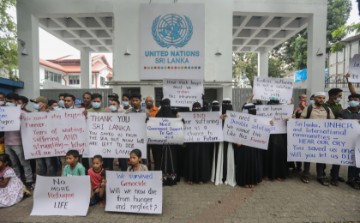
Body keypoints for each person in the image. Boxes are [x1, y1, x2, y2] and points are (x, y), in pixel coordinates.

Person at [300, 92, 335, 186]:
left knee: (321, 157)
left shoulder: (327, 109)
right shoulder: (309, 108)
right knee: (307, 156)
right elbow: (301, 120)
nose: (321, 100)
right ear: (315, 98)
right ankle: (305, 174)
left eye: (323, 98)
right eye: (319, 97)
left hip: (323, 138)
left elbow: (333, 122)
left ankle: (320, 176)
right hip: (309, 137)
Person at [5, 93, 34, 190]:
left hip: (19, 143)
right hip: (7, 142)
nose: (9, 103)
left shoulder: (23, 113)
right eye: (7, 101)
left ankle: (29, 181)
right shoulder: (4, 112)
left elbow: (29, 127)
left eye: (11, 101)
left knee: (24, 163)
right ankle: (17, 181)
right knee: (14, 164)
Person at [183, 102, 212, 184]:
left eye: (198, 109)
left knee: (201, 160)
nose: (196, 110)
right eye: (194, 109)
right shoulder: (187, 117)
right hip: (191, 143)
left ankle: (201, 178)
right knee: (191, 159)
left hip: (202, 143)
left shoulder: (205, 117)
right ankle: (190, 178)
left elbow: (213, 122)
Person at [235, 103, 263, 188]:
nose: (253, 111)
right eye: (250, 110)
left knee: (253, 163)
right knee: (245, 163)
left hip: (254, 146)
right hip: (243, 146)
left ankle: (253, 180)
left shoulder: (258, 120)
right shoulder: (240, 121)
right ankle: (244, 181)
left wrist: (271, 123)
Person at [153, 99, 179, 185]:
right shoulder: (158, 116)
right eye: (165, 106)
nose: (166, 108)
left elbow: (177, 128)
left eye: (167, 106)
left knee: (171, 160)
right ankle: (161, 178)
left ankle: (171, 178)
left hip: (171, 145)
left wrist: (180, 122)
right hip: (160, 145)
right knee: (161, 160)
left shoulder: (174, 115)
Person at [263, 96, 288, 181]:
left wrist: (289, 119)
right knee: (268, 154)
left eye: (275, 104)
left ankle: (279, 174)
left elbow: (289, 121)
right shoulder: (264, 110)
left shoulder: (284, 111)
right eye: (272, 104)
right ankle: (267, 173)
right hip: (268, 136)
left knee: (279, 154)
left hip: (280, 136)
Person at [212, 98, 236, 186]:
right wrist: (219, 119)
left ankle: (227, 176)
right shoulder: (217, 115)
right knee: (220, 156)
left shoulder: (234, 116)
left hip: (229, 141)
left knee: (228, 156)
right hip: (220, 142)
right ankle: (220, 176)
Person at [338, 93, 360, 189]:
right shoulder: (342, 112)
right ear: (348, 101)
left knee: (356, 160)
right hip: (344, 141)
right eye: (351, 99)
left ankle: (354, 179)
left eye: (356, 99)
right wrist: (338, 121)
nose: (353, 101)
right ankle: (339, 177)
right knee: (345, 159)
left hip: (358, 141)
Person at [324, 88, 345, 186]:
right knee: (323, 154)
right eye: (339, 96)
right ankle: (322, 173)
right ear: (332, 96)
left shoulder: (339, 105)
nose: (340, 98)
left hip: (337, 135)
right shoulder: (324, 106)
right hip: (326, 134)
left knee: (337, 155)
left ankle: (334, 175)